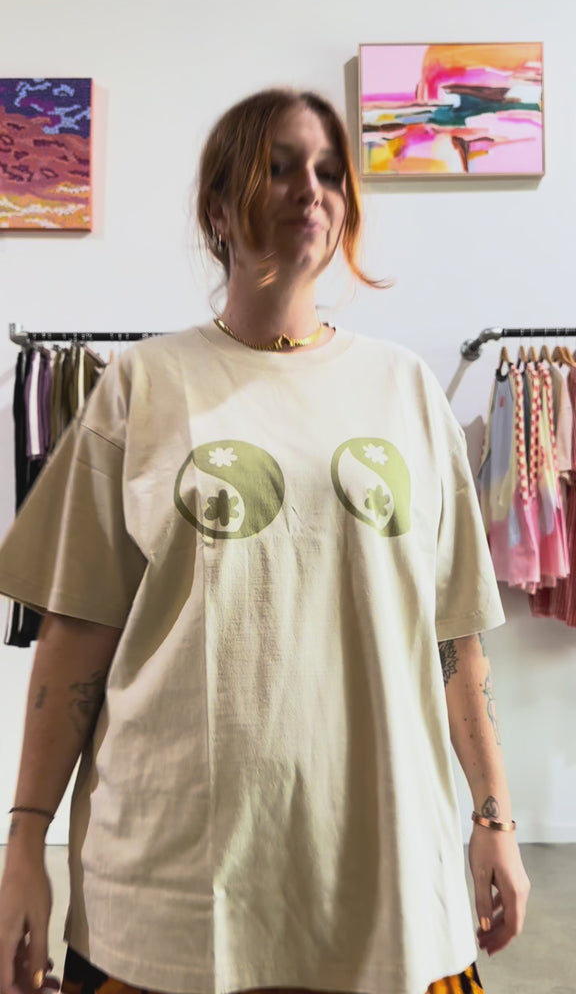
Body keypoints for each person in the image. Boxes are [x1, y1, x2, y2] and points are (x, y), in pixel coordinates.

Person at [0, 87, 529, 994]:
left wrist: (495, 821)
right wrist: (23, 848)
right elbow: (75, 636)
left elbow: (456, 641)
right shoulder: (139, 387)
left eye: (328, 172)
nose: (309, 189)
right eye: (278, 167)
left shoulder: (406, 391)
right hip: (169, 886)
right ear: (218, 207)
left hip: (386, 875)